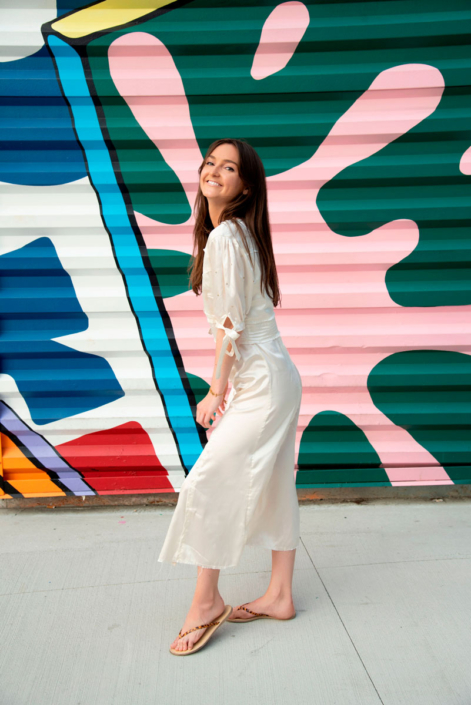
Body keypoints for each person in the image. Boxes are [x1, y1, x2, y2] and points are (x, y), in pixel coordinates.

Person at [158, 138, 303, 655]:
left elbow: (230, 325)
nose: (215, 170)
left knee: (211, 481)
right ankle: (280, 595)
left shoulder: (226, 237)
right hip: (275, 377)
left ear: (245, 185)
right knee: (273, 486)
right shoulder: (236, 234)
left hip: (261, 383)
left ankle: (205, 602)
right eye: (210, 162)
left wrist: (215, 390)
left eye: (230, 167)